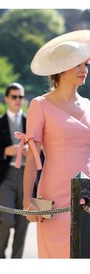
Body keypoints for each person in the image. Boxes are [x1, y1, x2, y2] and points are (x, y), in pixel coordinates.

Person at [15, 30, 90, 258]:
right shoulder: (40, 105)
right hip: (54, 197)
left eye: (85, 64)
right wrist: (27, 200)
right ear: (60, 69)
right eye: (77, 65)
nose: (84, 70)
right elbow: (32, 156)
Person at [0, 83, 29, 258]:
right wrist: (5, 151)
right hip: (6, 176)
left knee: (24, 221)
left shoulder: (30, 121)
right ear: (6, 99)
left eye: (20, 96)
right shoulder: (0, 122)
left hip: (26, 174)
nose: (18, 100)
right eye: (14, 97)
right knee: (7, 219)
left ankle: (16, 263)